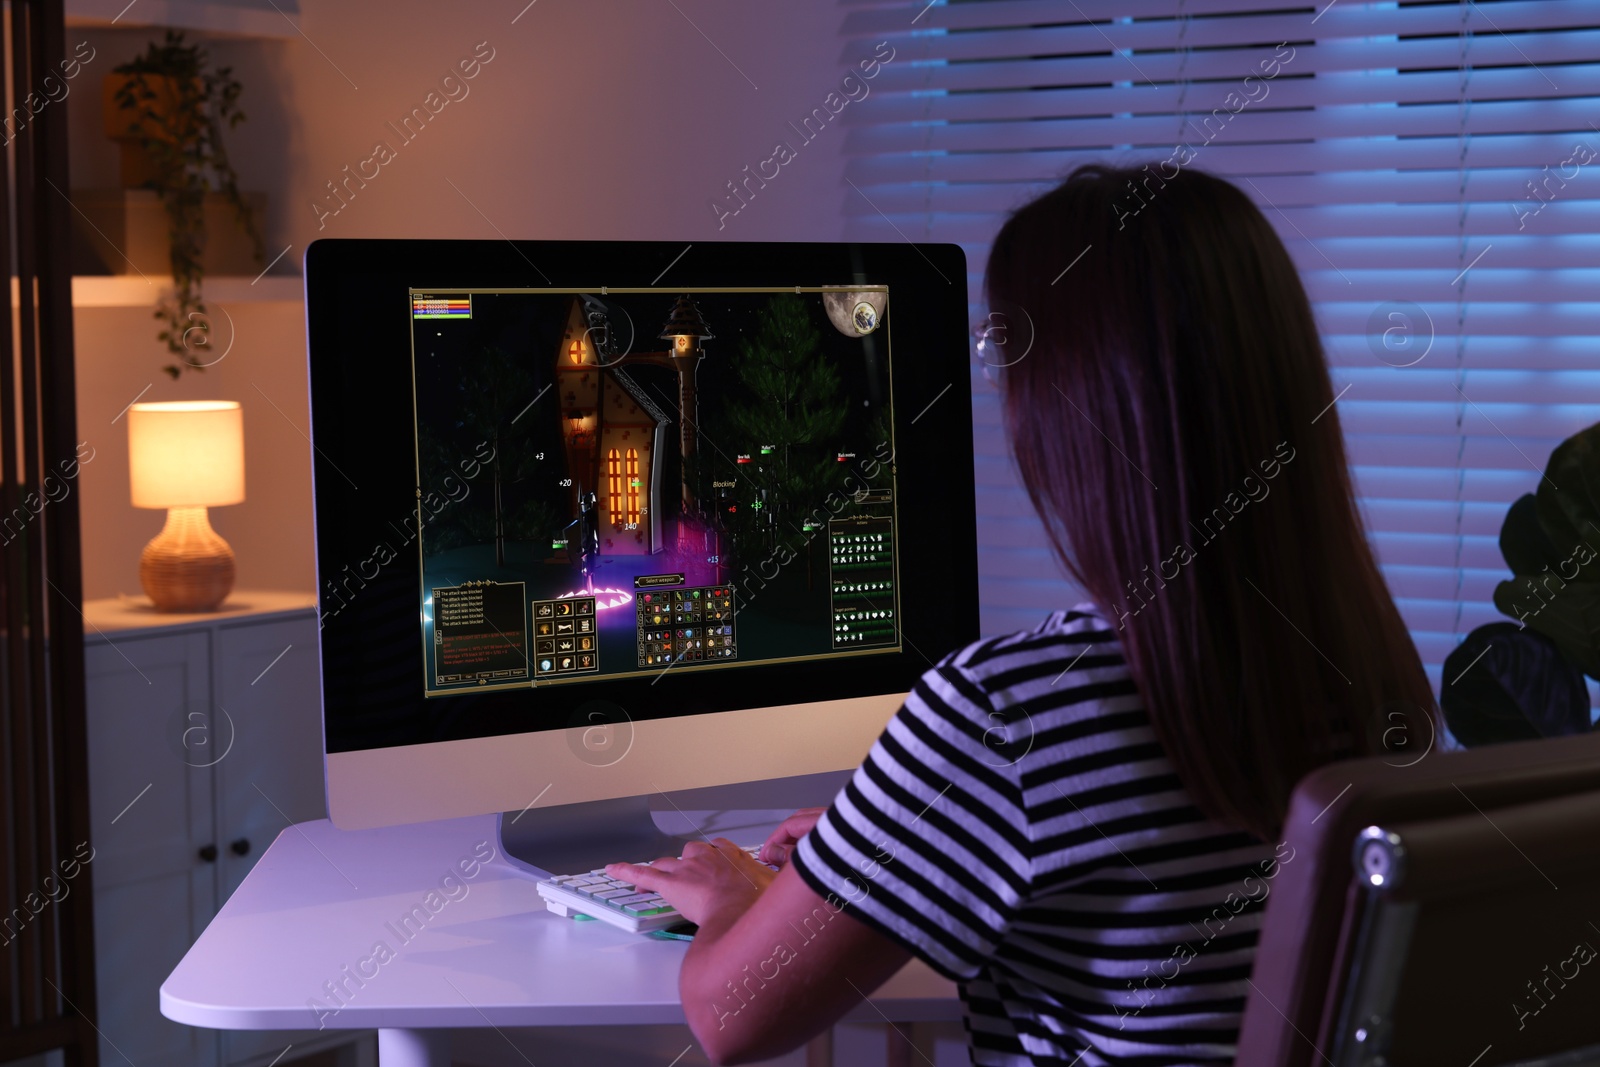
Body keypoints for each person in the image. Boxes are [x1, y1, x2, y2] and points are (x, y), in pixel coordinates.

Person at [608, 164, 1435, 1066]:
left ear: (1067, 410)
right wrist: (892, 836)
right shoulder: (1371, 676)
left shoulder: (1007, 713)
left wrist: (740, 899)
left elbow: (732, 1018)